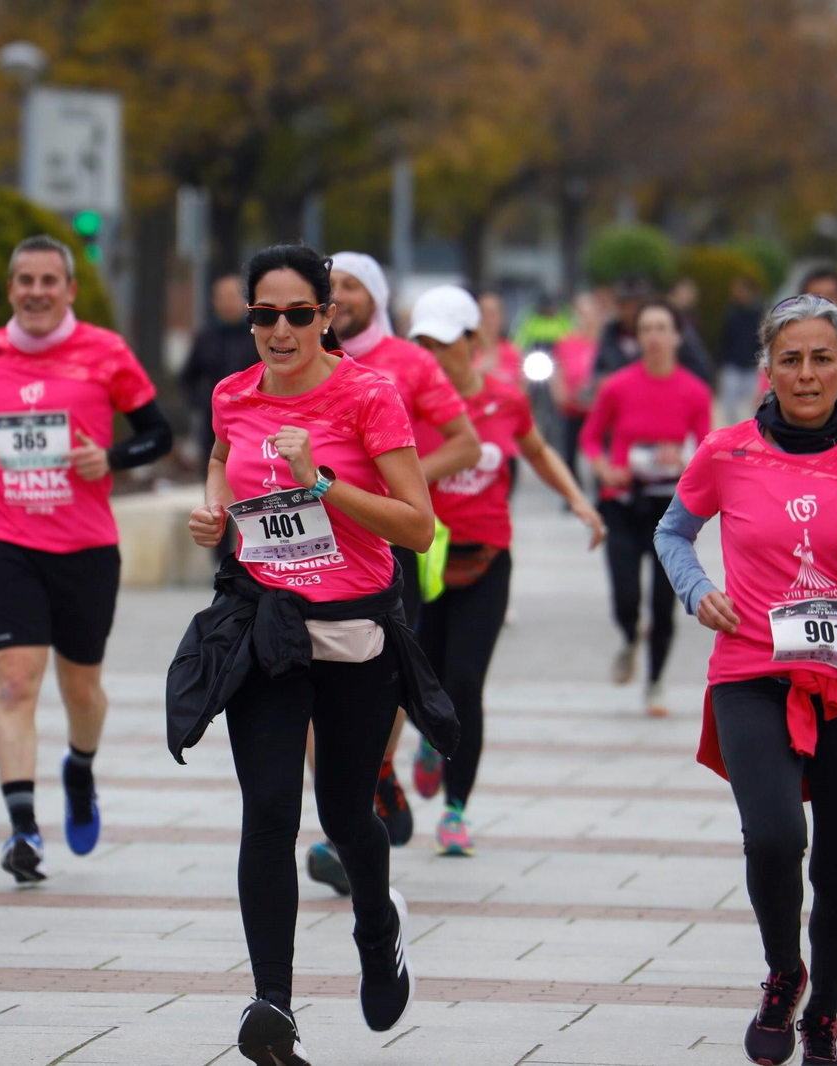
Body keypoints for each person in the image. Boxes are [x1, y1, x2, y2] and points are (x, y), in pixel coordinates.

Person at [169, 244, 454, 1060]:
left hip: (354, 630)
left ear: (328, 315)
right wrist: (214, 509)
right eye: (265, 315)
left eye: (299, 314)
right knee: (268, 812)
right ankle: (273, 1005)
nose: (281, 331)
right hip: (267, 623)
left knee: (344, 814)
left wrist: (322, 481)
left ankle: (378, 925)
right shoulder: (233, 394)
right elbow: (221, 455)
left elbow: (417, 526)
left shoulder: (369, 394)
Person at [654, 294, 837, 1066]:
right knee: (775, 839)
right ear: (767, 370)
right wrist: (696, 589)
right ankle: (784, 972)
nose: (806, 374)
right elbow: (672, 531)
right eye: (790, 359)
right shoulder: (727, 452)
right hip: (751, 671)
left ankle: (825, 1017)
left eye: (821, 359)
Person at [0, 235, 173, 883]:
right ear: (11, 289)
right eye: (25, 281)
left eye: (49, 281)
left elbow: (158, 432)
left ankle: (80, 768)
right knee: (15, 683)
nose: (36, 292)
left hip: (85, 547)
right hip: (5, 543)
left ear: (70, 290)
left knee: (82, 690)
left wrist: (110, 458)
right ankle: (23, 830)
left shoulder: (106, 352)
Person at [405, 286, 605, 855]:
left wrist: (577, 499)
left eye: (442, 344)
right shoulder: (403, 404)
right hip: (421, 562)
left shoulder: (504, 400)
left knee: (465, 684)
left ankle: (455, 810)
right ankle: (429, 738)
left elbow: (537, 451)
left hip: (486, 560)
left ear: (474, 341)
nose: (431, 356)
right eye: (421, 345)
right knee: (417, 687)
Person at [311, 251, 478, 862]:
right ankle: (341, 819)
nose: (340, 296)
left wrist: (398, 486)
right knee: (310, 685)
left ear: (376, 297)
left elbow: (466, 444)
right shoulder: (299, 360)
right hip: (315, 546)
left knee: (383, 677)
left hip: (388, 544)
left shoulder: (408, 362)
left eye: (352, 285)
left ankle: (378, 768)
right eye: (331, 286)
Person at [582, 300, 711, 716]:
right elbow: (590, 438)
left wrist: (684, 460)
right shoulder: (617, 386)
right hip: (622, 502)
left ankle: (655, 682)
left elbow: (707, 449)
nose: (653, 337)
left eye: (661, 328)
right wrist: (604, 468)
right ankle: (628, 635)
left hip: (670, 511)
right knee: (625, 597)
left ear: (677, 336)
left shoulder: (695, 390)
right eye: (646, 329)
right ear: (636, 338)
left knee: (662, 603)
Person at [181, 274, 262, 478]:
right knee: (214, 472)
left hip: (253, 420)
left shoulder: (258, 336)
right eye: (222, 297)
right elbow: (188, 376)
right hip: (214, 422)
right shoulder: (206, 337)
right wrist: (201, 402)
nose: (227, 303)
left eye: (232, 296)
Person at [593, 275, 713, 384]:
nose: (631, 312)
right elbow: (597, 373)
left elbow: (701, 369)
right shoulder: (610, 334)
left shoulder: (672, 328)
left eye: (636, 305)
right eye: (626, 306)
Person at [551, 292, 603, 480]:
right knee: (569, 454)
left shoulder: (604, 344)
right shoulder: (566, 343)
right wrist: (559, 392)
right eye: (580, 313)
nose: (585, 318)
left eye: (589, 313)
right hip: (573, 408)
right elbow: (557, 370)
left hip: (600, 410)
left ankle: (601, 485)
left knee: (600, 452)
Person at [718, 274, 765, 425]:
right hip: (733, 364)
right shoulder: (731, 313)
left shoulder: (758, 313)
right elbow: (725, 338)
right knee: (729, 404)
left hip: (751, 365)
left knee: (753, 404)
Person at [473, 291, 522, 382]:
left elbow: (521, 388)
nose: (488, 320)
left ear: (502, 317)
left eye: (492, 314)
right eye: (483, 313)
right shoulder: (467, 352)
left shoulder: (513, 352)